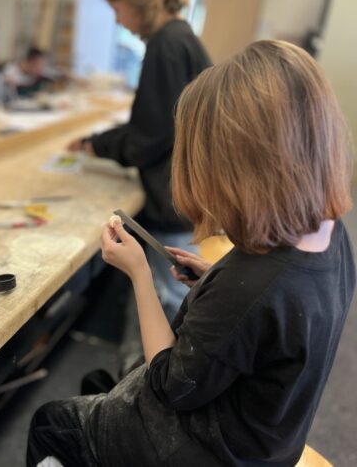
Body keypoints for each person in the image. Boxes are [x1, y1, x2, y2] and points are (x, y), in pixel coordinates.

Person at [27, 40, 355, 466]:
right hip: (269, 445)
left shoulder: (249, 284)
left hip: (214, 452)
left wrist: (140, 274)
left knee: (52, 422)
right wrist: (215, 280)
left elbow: (168, 385)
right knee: (104, 386)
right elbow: (269, 324)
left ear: (239, 168)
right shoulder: (333, 236)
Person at [68, 0, 212, 321]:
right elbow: (154, 122)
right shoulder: (181, 37)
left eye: (117, 9)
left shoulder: (166, 44)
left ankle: (170, 354)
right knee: (176, 288)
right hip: (184, 188)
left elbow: (148, 136)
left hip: (171, 197)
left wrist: (96, 145)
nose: (118, 21)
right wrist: (99, 141)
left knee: (172, 295)